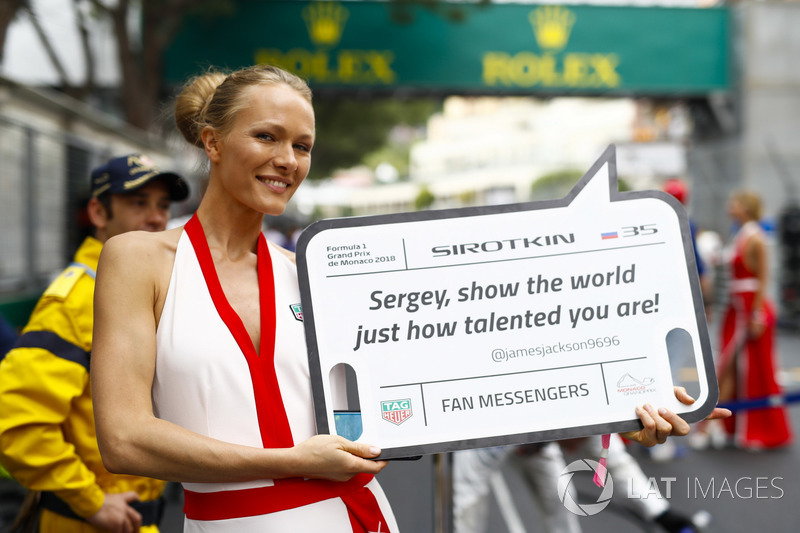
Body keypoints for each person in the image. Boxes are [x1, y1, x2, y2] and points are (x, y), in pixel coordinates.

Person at [90, 65, 397, 533]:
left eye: (302, 146)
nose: (288, 160)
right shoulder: (138, 260)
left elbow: (361, 412)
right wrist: (293, 461)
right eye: (267, 137)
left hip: (354, 515)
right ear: (212, 143)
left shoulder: (309, 273)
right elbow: (123, 439)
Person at [0, 153, 190, 533]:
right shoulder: (78, 299)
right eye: (139, 203)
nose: (156, 218)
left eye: (163, 205)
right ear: (99, 214)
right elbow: (15, 421)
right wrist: (91, 501)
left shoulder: (138, 290)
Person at [716, 190, 792, 450]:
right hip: (735, 308)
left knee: (752, 370)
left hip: (750, 309)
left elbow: (764, 278)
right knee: (729, 366)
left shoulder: (756, 237)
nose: (730, 206)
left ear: (746, 208)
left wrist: (758, 313)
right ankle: (721, 425)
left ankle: (754, 429)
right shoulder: (738, 234)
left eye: (735, 203)